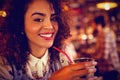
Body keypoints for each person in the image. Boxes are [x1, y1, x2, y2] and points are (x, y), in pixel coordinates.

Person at [0, 0, 97, 80]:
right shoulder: (4, 64)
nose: (50, 26)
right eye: (38, 19)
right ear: (20, 25)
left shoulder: (63, 54)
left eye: (53, 18)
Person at [92, 15, 120, 80]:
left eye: (93, 23)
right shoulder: (100, 34)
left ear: (98, 24)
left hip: (111, 68)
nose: (92, 25)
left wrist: (92, 58)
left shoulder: (106, 34)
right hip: (104, 68)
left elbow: (104, 55)